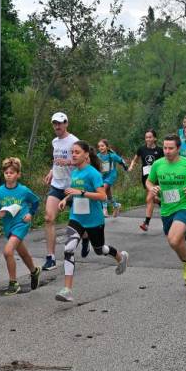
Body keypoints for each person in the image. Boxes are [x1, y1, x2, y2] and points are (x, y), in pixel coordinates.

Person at [55, 141, 129, 302]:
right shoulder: (74, 172)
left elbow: (102, 196)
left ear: (86, 155)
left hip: (94, 220)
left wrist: (80, 192)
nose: (73, 155)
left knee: (100, 249)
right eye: (72, 152)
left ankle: (120, 257)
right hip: (76, 217)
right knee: (68, 249)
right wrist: (66, 198)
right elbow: (75, 191)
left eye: (77, 152)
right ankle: (67, 289)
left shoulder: (93, 173)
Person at [146, 134, 186, 289]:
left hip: (184, 206)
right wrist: (152, 188)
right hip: (166, 208)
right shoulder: (158, 164)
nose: (167, 151)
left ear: (178, 148)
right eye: (165, 147)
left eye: (171, 148)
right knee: (177, 243)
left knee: (174, 240)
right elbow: (149, 181)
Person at [0, 157, 41, 295]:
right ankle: (34, 271)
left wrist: (30, 214)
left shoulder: (23, 190)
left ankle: (13, 283)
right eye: (6, 173)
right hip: (8, 225)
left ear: (18, 174)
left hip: (21, 223)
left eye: (12, 173)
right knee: (22, 253)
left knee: (7, 251)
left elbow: (35, 202)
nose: (8, 175)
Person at [42, 112, 80, 271]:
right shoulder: (54, 142)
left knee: (80, 224)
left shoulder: (74, 141)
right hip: (57, 186)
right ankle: (50, 257)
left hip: (73, 187)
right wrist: (52, 171)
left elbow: (84, 160)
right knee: (49, 218)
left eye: (60, 123)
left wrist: (69, 161)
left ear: (66, 124)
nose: (57, 126)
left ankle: (85, 240)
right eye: (54, 123)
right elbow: (56, 161)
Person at [129, 129, 165, 232]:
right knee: (153, 199)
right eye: (146, 137)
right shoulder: (141, 149)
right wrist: (131, 166)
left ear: (155, 138)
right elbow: (135, 159)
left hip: (157, 178)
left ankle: (146, 223)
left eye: (150, 137)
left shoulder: (160, 150)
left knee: (149, 198)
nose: (148, 139)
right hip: (146, 178)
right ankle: (162, 204)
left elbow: (164, 163)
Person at [96, 139, 128, 217]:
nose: (101, 148)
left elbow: (121, 161)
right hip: (102, 176)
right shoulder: (98, 156)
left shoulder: (112, 155)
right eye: (99, 146)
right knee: (108, 194)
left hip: (111, 175)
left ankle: (104, 210)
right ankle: (116, 205)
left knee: (102, 189)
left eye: (102, 146)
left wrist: (126, 168)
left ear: (107, 147)